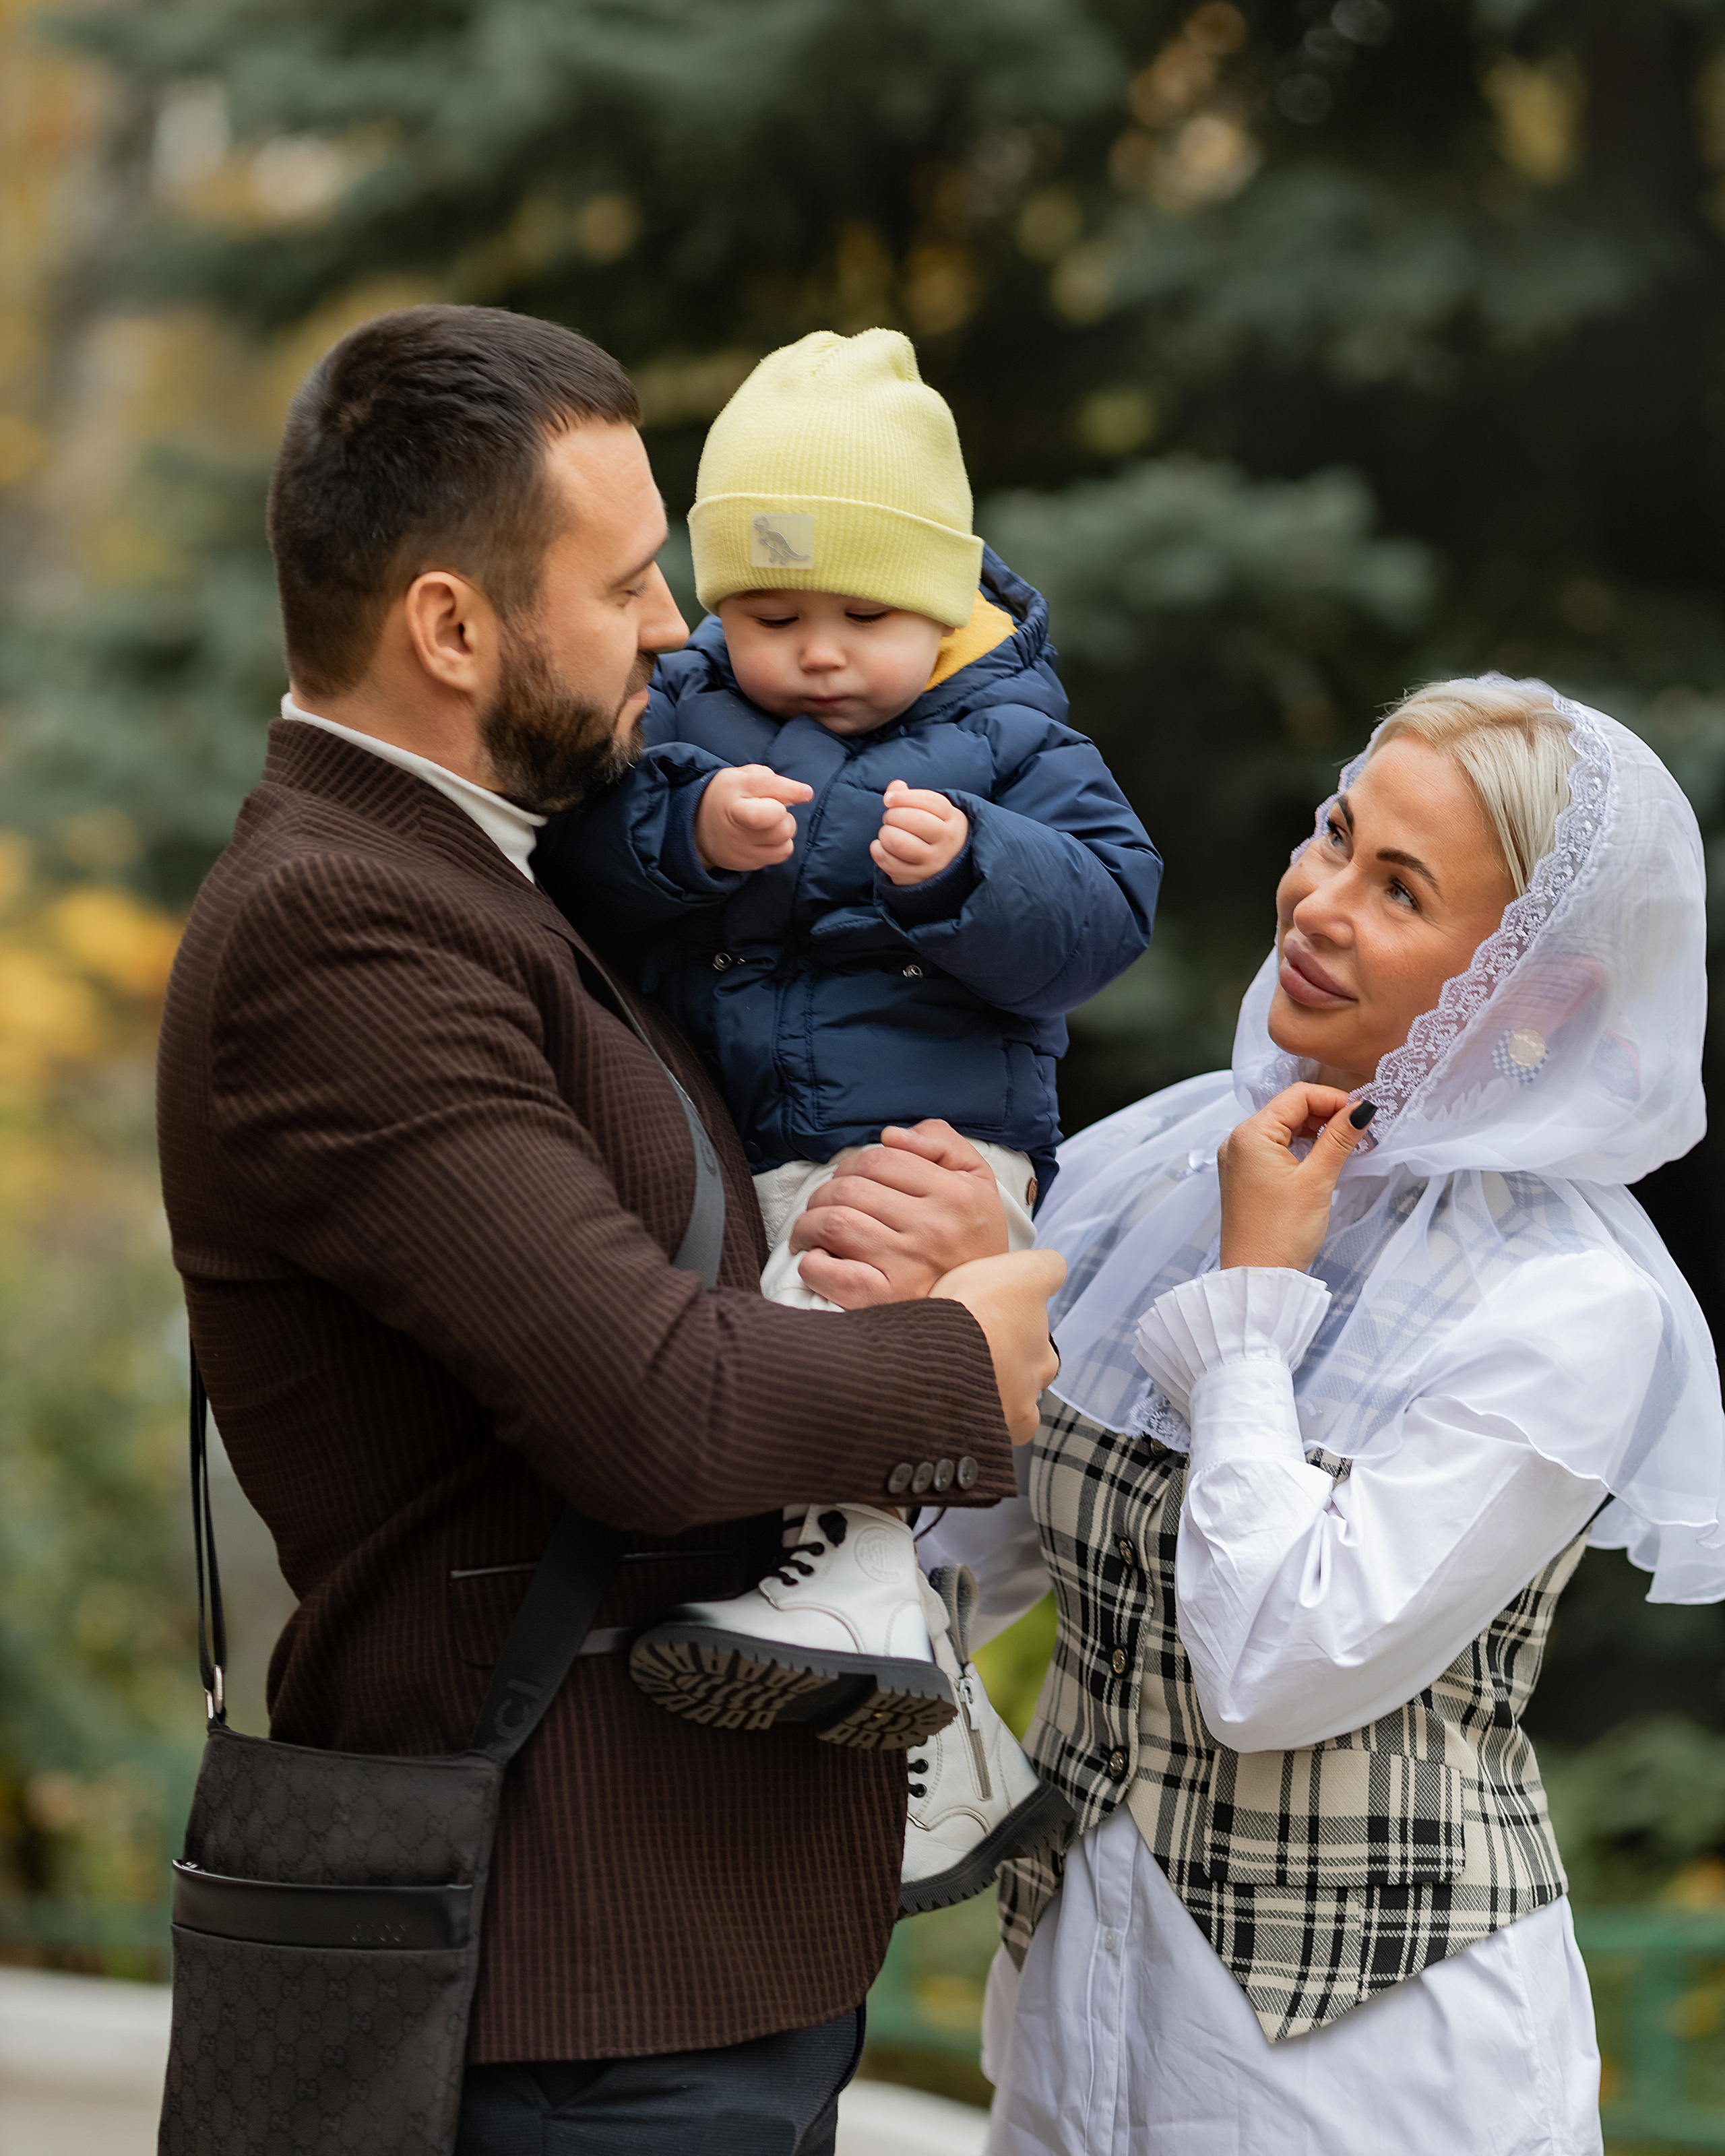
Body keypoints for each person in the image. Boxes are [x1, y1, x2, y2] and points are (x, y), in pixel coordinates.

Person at [154, 302, 1064, 2156]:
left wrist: (927, 1213)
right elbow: (648, 1405)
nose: (680, 627)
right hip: (560, 1991)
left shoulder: (496, 880)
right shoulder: (348, 929)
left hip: (667, 1974)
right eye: (631, 580)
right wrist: (968, 1356)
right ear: (452, 627)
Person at [924, 676, 1725, 2155]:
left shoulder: (1561, 1303)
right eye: (1334, 836)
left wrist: (1247, 1310)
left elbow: (1273, 1669)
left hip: (1361, 2077)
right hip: (1072, 2017)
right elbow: (962, 1559)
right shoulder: (1156, 1166)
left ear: (1535, 993)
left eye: (1398, 888)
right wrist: (904, 1318)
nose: (1316, 901)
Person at [536, 329, 1160, 1907]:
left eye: (862, 614)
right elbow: (584, 868)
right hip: (749, 1142)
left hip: (928, 1145)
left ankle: (860, 1613)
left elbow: (1103, 911)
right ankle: (943, 1771)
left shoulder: (1015, 735)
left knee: (834, 1349)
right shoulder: (680, 711)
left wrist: (964, 873)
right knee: (763, 1362)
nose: (815, 653)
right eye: (769, 613)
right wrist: (683, 833)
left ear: (942, 597)